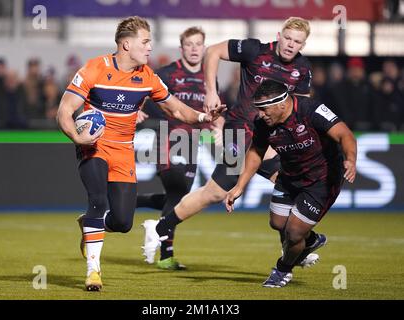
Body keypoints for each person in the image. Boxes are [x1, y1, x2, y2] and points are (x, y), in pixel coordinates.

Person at [57, 16, 223, 291]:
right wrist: (77, 137)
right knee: (97, 200)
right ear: (126, 44)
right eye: (145, 42)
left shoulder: (147, 76)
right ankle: (93, 272)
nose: (150, 48)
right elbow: (64, 110)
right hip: (94, 146)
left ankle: (88, 225)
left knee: (122, 222)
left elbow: (177, 110)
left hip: (123, 151)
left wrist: (205, 117)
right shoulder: (95, 69)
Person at [142, 17, 319, 267]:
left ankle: (160, 225)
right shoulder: (254, 50)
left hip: (270, 136)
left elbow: (299, 106)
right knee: (287, 182)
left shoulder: (303, 68)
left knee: (213, 192)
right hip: (240, 130)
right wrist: (211, 91)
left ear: (303, 44)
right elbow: (213, 51)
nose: (291, 45)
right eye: (288, 38)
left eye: (297, 42)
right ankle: (295, 245)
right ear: (279, 35)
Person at [225, 80, 357, 287]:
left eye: (264, 109)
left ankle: (282, 270)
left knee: (294, 233)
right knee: (277, 223)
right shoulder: (263, 123)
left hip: (321, 181)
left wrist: (350, 159)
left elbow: (344, 134)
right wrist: (240, 186)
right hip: (289, 176)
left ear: (282, 104)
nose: (260, 114)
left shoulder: (311, 110)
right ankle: (312, 240)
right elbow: (256, 152)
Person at [136, 26, 223, 270]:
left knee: (180, 198)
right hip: (169, 138)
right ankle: (166, 255)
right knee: (177, 193)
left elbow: (211, 112)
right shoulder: (168, 72)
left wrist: (217, 128)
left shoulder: (209, 78)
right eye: (189, 44)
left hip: (193, 143)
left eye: (198, 44)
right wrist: (136, 109)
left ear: (204, 47)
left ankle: (136, 201)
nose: (194, 49)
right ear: (181, 47)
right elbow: (142, 87)